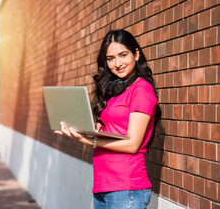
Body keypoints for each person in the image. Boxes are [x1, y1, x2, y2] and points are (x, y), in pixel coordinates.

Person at [55, 29, 161, 209]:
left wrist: (90, 140)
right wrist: (95, 128)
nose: (117, 63)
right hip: (104, 184)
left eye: (123, 55)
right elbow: (117, 129)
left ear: (136, 54)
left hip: (126, 187)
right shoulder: (114, 92)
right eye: (110, 58)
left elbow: (132, 144)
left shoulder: (141, 90)